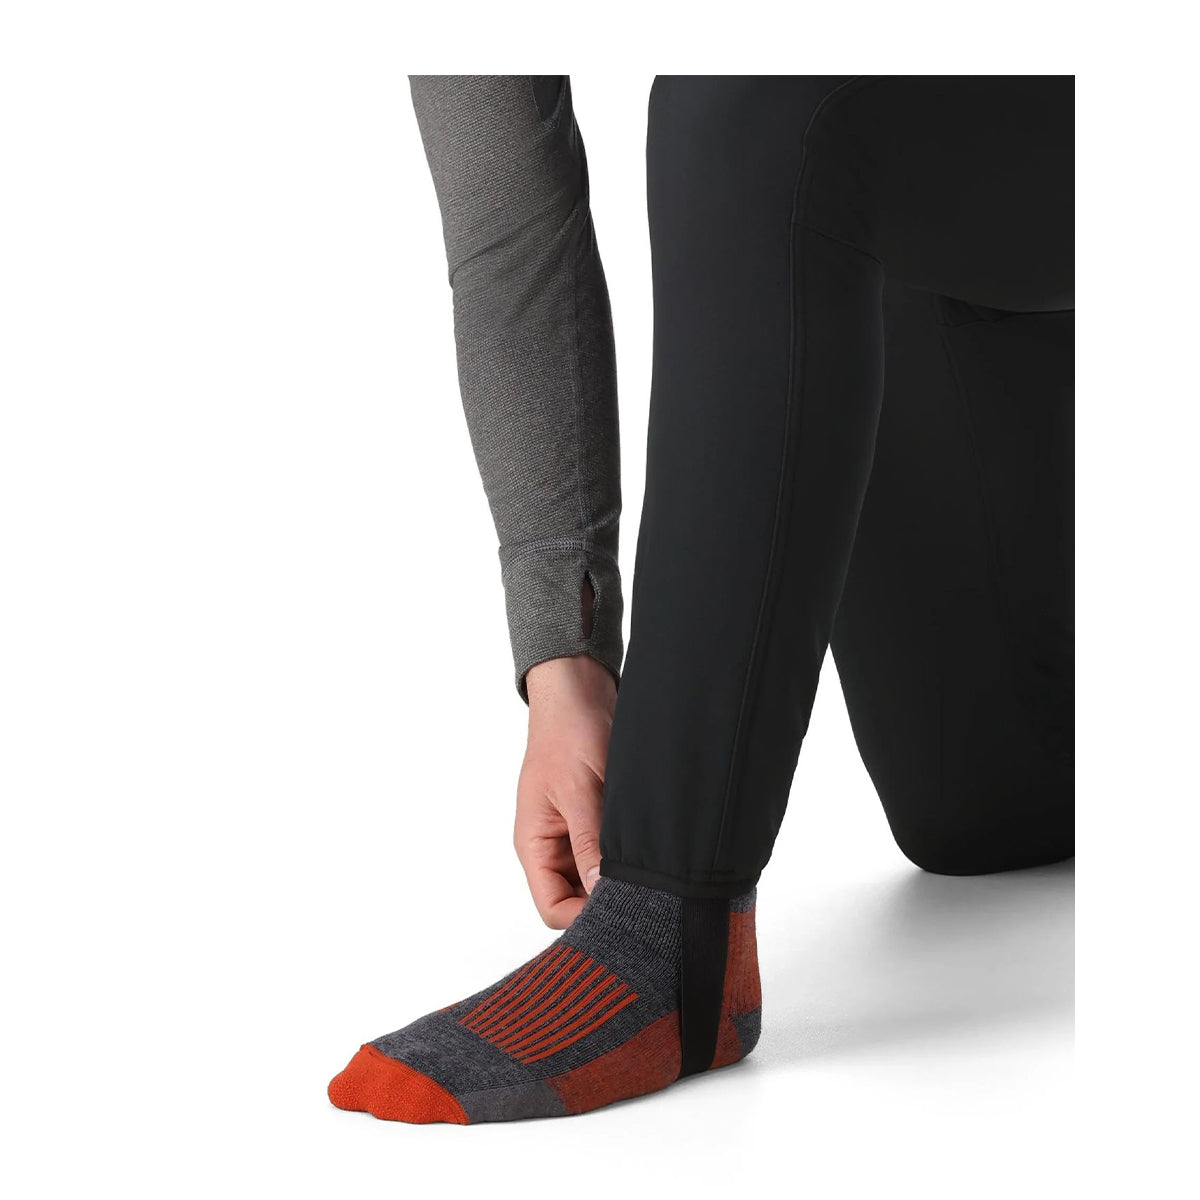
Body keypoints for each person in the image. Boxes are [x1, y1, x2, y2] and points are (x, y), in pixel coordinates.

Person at [328, 75, 1074, 1124]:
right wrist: (564, 659)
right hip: (959, 202)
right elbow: (509, 222)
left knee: (756, 94)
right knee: (990, 812)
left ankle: (671, 939)